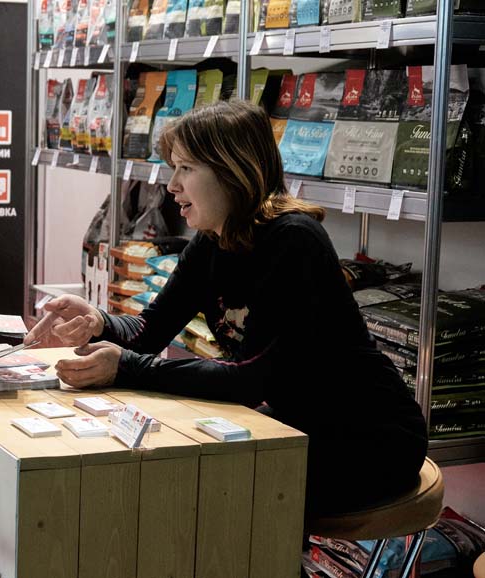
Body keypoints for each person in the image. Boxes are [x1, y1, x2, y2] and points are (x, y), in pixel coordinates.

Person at [26, 100, 428, 517]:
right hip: (298, 423)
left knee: (218, 502)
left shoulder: (294, 242)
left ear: (232, 171)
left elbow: (249, 379)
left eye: (186, 168)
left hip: (369, 438)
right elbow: (150, 330)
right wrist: (97, 322)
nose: (171, 185)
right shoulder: (211, 242)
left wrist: (125, 365)